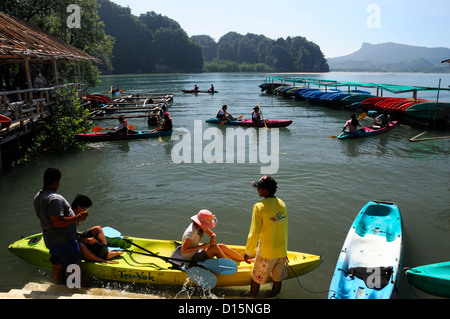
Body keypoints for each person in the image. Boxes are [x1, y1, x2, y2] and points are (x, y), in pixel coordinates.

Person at [34, 168, 88, 284]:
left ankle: (60, 288)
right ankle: (78, 290)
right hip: (63, 239)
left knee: (58, 264)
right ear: (56, 182)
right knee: (74, 266)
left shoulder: (38, 196)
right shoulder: (54, 198)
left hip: (51, 238)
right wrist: (78, 217)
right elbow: (57, 221)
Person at [244, 175, 288, 297]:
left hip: (266, 252)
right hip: (281, 250)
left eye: (259, 188)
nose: (257, 190)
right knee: (277, 278)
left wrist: (248, 252)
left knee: (256, 278)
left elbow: (254, 232)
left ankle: (252, 296)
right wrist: (285, 251)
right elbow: (285, 229)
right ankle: (273, 295)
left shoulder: (259, 206)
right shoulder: (282, 203)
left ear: (265, 191)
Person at [71, 195, 122, 264]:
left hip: (76, 235)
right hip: (69, 241)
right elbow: (68, 238)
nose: (86, 212)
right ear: (79, 207)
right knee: (80, 245)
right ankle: (101, 260)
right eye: (85, 210)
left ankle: (107, 252)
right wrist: (85, 240)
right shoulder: (69, 217)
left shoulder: (76, 214)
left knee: (97, 228)